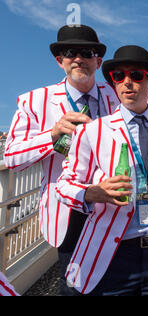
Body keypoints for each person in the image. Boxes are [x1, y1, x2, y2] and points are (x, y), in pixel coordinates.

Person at [55, 45, 148, 295]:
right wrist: (91, 192)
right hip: (116, 251)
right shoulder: (94, 131)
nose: (127, 83)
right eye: (118, 77)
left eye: (135, 75)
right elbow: (64, 184)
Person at [3, 24, 119, 295]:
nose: (78, 58)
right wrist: (52, 136)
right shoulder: (35, 101)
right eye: (70, 52)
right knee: (74, 286)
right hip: (68, 212)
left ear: (98, 61)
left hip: (110, 207)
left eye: (86, 52)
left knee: (114, 284)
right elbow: (11, 158)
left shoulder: (117, 97)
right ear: (60, 61)